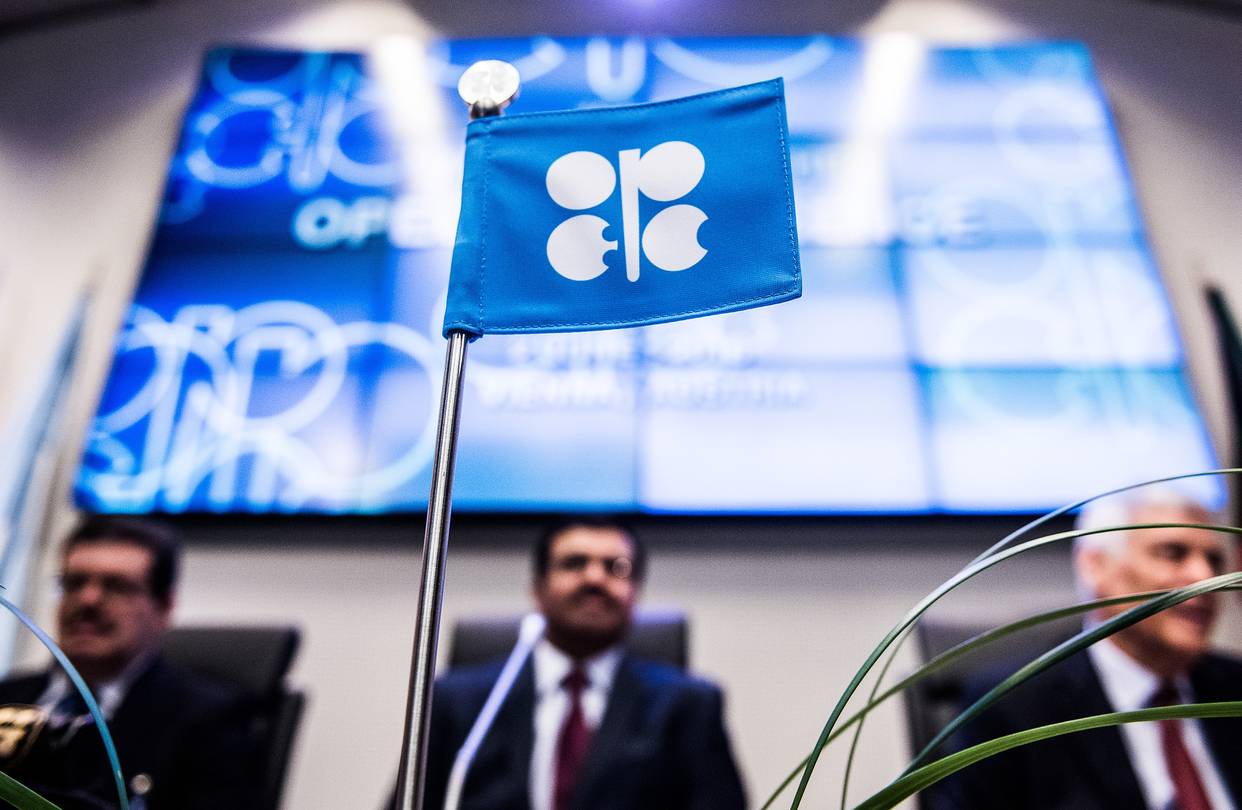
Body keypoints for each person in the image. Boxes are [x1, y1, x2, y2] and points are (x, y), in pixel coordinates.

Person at [928, 489, 1242, 809]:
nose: (1205, 577)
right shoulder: (1014, 709)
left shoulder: (1235, 688)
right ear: (1095, 565)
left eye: (1214, 560)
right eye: (1173, 553)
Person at [420, 518, 747, 810]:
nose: (594, 578)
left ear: (636, 592)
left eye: (615, 567)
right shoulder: (460, 702)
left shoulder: (689, 706)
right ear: (538, 589)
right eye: (574, 563)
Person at [0, 516, 260, 810]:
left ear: (164, 607)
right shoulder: (6, 696)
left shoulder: (208, 722)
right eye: (74, 583)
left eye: (116, 586)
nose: (88, 600)